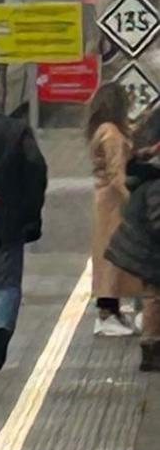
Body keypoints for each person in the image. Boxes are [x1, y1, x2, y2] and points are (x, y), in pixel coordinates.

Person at [0, 84, 48, 373]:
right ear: (1, 101)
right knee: (6, 283)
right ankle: (2, 330)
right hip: (10, 219)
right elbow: (37, 170)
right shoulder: (17, 131)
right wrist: (31, 213)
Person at [87, 83, 146, 337]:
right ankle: (107, 311)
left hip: (106, 200)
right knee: (113, 255)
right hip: (114, 202)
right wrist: (132, 201)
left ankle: (112, 310)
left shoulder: (103, 129)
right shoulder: (111, 133)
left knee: (110, 253)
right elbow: (116, 173)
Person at [106, 108, 160, 371]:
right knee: (154, 298)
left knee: (152, 297)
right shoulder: (157, 181)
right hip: (151, 251)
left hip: (143, 248)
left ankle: (151, 346)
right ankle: (151, 348)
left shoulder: (145, 174)